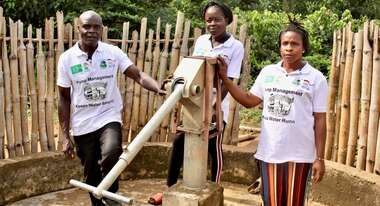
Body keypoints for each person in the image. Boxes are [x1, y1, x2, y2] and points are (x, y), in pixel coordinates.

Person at [57, 10, 164, 206]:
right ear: (78, 28)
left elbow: (137, 74)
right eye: (87, 26)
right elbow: (64, 98)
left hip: (109, 116)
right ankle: (103, 203)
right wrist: (65, 136)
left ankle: (111, 199)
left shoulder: (112, 53)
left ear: (102, 29)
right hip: (82, 124)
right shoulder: (67, 59)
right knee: (91, 172)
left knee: (111, 153)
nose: (92, 31)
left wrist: (158, 88)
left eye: (96, 27)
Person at [216, 18, 327, 206]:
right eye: (285, 43)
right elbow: (250, 100)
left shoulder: (316, 78)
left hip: (300, 155)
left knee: (293, 202)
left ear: (304, 48)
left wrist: (320, 158)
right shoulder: (269, 72)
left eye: (294, 44)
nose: (289, 48)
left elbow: (320, 120)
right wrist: (226, 80)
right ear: (280, 47)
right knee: (271, 201)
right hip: (270, 152)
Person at [148, 1, 244, 204]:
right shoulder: (201, 41)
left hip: (217, 107)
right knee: (178, 143)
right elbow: (192, 68)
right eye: (209, 19)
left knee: (213, 149)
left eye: (217, 19)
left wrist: (215, 108)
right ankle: (167, 189)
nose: (212, 23)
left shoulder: (235, 46)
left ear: (227, 20)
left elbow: (229, 81)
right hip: (195, 104)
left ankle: (215, 189)